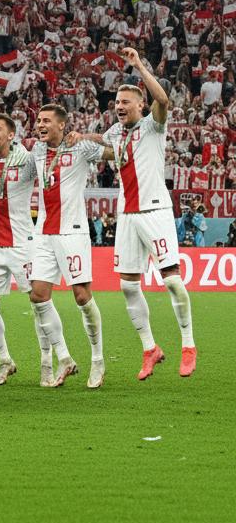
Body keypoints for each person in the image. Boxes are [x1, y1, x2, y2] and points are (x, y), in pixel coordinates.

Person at [81, 48, 196, 379]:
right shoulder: (116, 133)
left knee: (171, 280)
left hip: (155, 210)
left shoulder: (153, 125)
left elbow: (164, 100)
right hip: (127, 215)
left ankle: (188, 345)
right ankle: (150, 349)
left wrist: (139, 67)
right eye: (117, 102)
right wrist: (80, 138)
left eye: (126, 102)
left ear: (141, 105)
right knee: (129, 287)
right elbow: (106, 146)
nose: (119, 106)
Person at [0, 114, 71, 387]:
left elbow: (50, 165)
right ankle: (5, 361)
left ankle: (47, 363)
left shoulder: (26, 160)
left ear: (11, 135)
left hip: (23, 243)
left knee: (39, 303)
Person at [31, 104, 107, 388]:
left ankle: (98, 360)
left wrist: (87, 136)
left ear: (62, 125)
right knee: (38, 296)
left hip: (72, 231)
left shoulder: (80, 147)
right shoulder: (37, 150)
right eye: (39, 120)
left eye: (46, 121)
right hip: (43, 233)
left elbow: (116, 148)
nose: (40, 125)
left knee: (81, 296)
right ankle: (64, 358)